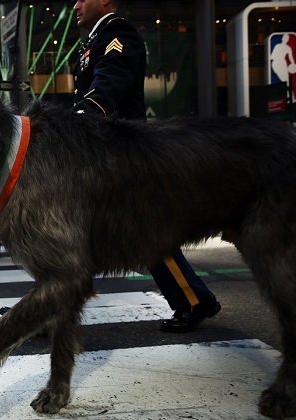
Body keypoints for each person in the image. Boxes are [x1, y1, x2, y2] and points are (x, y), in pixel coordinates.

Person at [72, 0, 220, 332]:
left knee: (145, 237)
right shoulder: (94, 41)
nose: (76, 5)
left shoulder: (118, 33)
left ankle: (195, 300)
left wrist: (77, 121)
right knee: (83, 237)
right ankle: (195, 300)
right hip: (105, 157)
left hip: (122, 159)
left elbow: (106, 86)